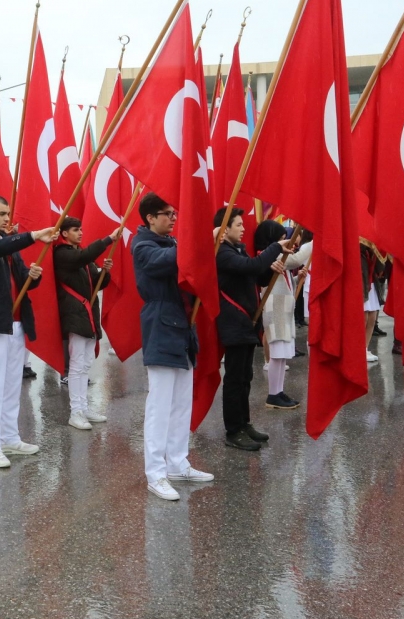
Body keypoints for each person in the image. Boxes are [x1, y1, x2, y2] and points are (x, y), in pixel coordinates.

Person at [130, 193, 213, 501]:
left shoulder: (173, 244)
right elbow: (160, 264)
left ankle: (178, 462)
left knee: (181, 403)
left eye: (175, 212)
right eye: (167, 213)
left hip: (182, 326)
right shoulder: (143, 246)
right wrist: (200, 241)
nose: (174, 218)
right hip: (162, 323)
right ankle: (156, 473)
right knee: (160, 406)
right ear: (150, 217)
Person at [0, 195, 56, 468]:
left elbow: (20, 280)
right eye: (2, 213)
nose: (7, 218)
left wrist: (32, 277)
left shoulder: (7, 247)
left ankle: (9, 438)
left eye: (8, 214)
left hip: (16, 323)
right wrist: (33, 235)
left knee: (11, 385)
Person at [215, 207, 291, 451]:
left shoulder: (238, 249)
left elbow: (254, 277)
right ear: (225, 229)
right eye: (238, 224)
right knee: (235, 379)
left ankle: (244, 423)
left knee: (246, 377)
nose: (243, 228)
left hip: (247, 322)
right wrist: (276, 247)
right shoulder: (221, 252)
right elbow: (248, 267)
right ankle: (233, 430)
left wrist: (270, 272)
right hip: (233, 321)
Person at [53, 216, 119, 430]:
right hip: (74, 315)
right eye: (75, 230)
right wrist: (108, 239)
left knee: (86, 364)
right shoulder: (62, 254)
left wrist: (104, 272)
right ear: (64, 233)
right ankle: (76, 412)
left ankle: (84, 406)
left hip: (87, 315)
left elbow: (96, 283)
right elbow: (84, 256)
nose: (80, 233)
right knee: (77, 365)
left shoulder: (81, 256)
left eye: (81, 229)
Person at [253, 221, 311, 410]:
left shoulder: (276, 255)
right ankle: (273, 393)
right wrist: (315, 242)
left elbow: (283, 281)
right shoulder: (270, 254)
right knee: (277, 354)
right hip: (275, 307)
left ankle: (278, 391)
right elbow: (295, 260)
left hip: (282, 305)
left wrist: (296, 278)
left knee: (283, 354)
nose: (285, 241)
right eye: (281, 238)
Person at [361, 242, 386, 362]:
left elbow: (380, 269)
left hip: (371, 283)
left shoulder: (373, 250)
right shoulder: (359, 251)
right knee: (363, 318)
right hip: (361, 283)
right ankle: (358, 349)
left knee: (372, 317)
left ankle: (364, 348)